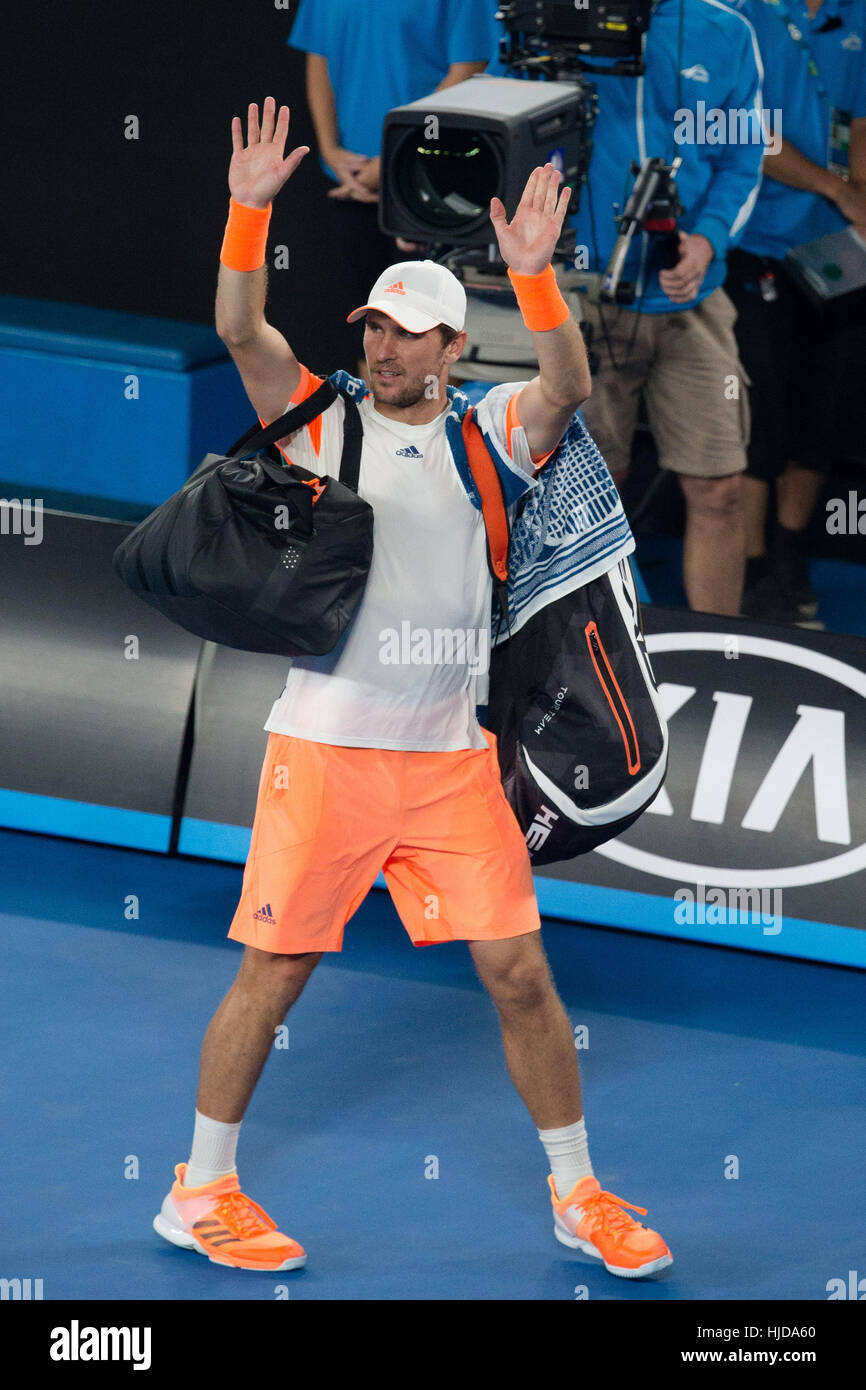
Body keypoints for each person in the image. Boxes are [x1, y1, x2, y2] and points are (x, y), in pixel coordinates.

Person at [152, 98, 673, 1282]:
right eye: (374, 330)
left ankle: (576, 1191)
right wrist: (246, 210)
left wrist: (536, 282)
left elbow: (568, 381)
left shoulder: (492, 434)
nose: (383, 350)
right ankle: (199, 1187)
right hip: (325, 758)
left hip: (448, 767)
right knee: (272, 978)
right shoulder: (316, 420)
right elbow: (239, 325)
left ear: (449, 348)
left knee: (522, 976)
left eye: (406, 335)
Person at [553, 0, 765, 617]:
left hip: (692, 299)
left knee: (719, 487)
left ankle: (715, 655)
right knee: (588, 493)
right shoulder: (545, 19)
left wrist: (709, 239)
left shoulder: (725, 30)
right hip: (577, 297)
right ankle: (587, 655)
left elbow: (742, 160)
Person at [724, 0, 866, 625]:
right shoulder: (738, 15)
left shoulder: (854, 15)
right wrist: (837, 188)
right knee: (763, 420)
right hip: (754, 246)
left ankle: (789, 556)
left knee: (821, 415)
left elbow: (860, 123)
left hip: (837, 251)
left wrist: (859, 203)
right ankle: (752, 571)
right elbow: (737, 130)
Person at [288, 0, 499, 377]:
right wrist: (330, 149)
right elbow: (318, 59)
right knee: (369, 334)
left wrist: (392, 162)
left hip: (433, 185)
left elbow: (468, 70)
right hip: (354, 185)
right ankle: (376, 434)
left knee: (433, 338)